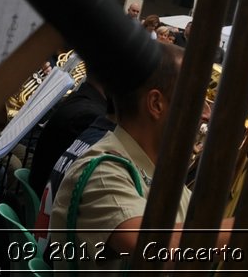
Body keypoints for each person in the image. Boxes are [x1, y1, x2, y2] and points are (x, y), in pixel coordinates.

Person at [45, 45, 212, 269]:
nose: (206, 114)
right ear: (156, 104)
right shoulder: (103, 171)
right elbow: (156, 247)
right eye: (197, 99)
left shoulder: (158, 171)